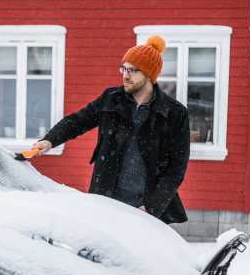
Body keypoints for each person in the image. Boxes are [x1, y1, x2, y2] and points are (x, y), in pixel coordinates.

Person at [30, 36, 190, 224]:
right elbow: (78, 120)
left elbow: (176, 169)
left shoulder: (174, 113)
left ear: (149, 75)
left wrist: (152, 207)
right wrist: (49, 140)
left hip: (146, 209)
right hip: (106, 200)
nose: (125, 75)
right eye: (124, 68)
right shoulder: (111, 99)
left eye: (133, 70)